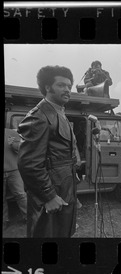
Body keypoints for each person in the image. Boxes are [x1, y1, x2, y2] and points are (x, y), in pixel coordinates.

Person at [18, 65, 78, 238]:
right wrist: (48, 196)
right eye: (61, 85)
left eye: (69, 86)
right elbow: (29, 163)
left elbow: (63, 154)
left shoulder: (59, 112)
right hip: (51, 191)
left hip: (64, 186)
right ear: (47, 87)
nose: (67, 89)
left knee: (63, 234)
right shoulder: (39, 116)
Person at [3, 128, 27, 228]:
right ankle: (4, 221)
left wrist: (13, 144)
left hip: (14, 170)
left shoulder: (12, 132)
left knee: (21, 195)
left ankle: (28, 218)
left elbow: (21, 150)